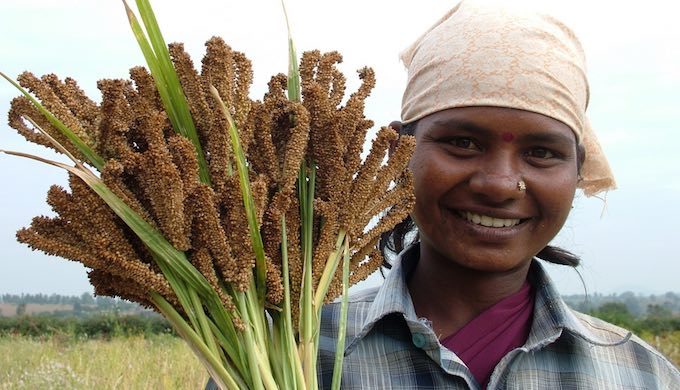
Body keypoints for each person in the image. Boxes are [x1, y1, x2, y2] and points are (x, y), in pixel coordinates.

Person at [316, 1, 680, 389]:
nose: (501, 185)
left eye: (541, 152)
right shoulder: (297, 351)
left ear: (577, 171)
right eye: (463, 142)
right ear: (397, 154)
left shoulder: (642, 376)